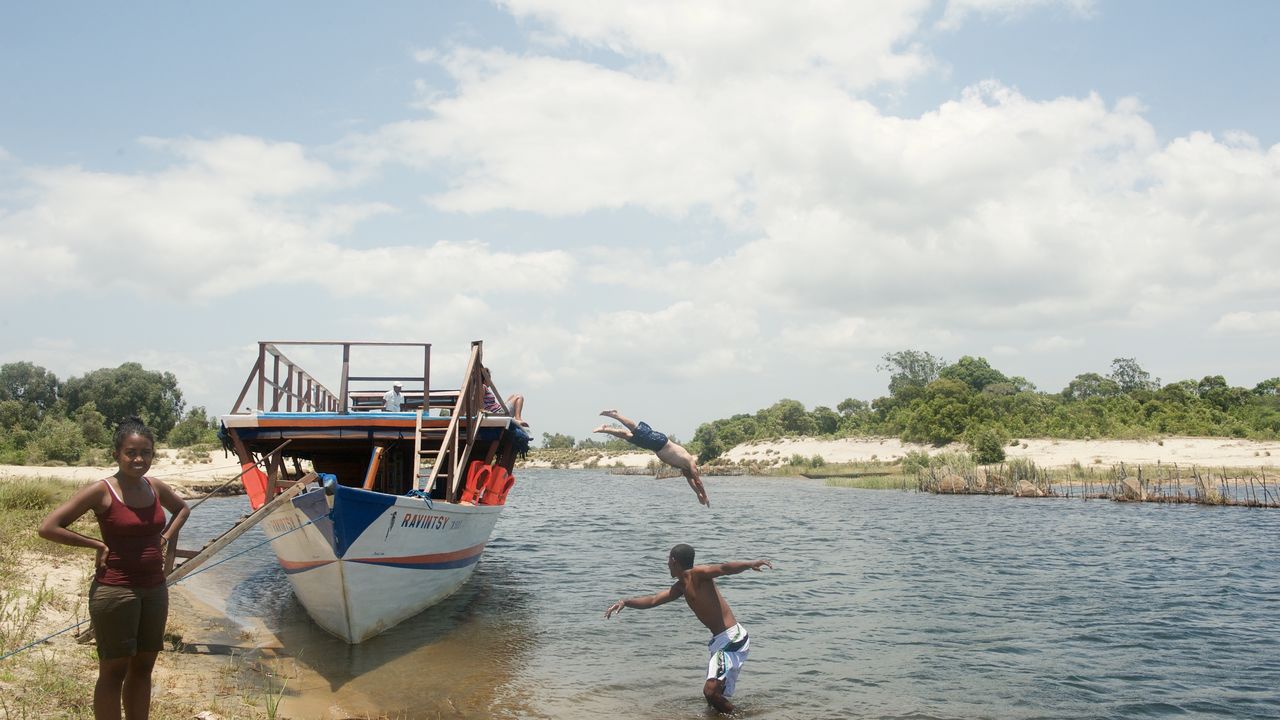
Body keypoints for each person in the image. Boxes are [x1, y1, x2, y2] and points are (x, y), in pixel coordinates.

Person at [38, 417, 190, 720]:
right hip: (115, 590)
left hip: (154, 589)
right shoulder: (102, 491)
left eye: (145, 453)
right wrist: (97, 545)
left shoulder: (155, 487)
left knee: (144, 666)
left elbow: (183, 509)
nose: (138, 459)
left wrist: (165, 536)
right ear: (116, 455)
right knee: (114, 670)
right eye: (131, 452)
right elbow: (49, 527)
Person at [605, 544, 772, 714]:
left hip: (731, 638)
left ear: (674, 561)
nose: (667, 564)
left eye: (668, 560)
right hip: (720, 641)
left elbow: (724, 568)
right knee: (712, 698)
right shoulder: (680, 587)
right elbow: (654, 600)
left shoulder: (698, 575)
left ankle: (739, 716)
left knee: (710, 691)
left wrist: (749, 564)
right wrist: (625, 602)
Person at [593, 409, 708, 506]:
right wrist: (705, 496)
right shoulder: (691, 463)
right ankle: (615, 414)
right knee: (636, 429)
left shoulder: (685, 468)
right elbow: (698, 481)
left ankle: (605, 429)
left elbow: (691, 481)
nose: (695, 473)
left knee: (629, 437)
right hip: (660, 442)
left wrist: (698, 494)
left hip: (656, 446)